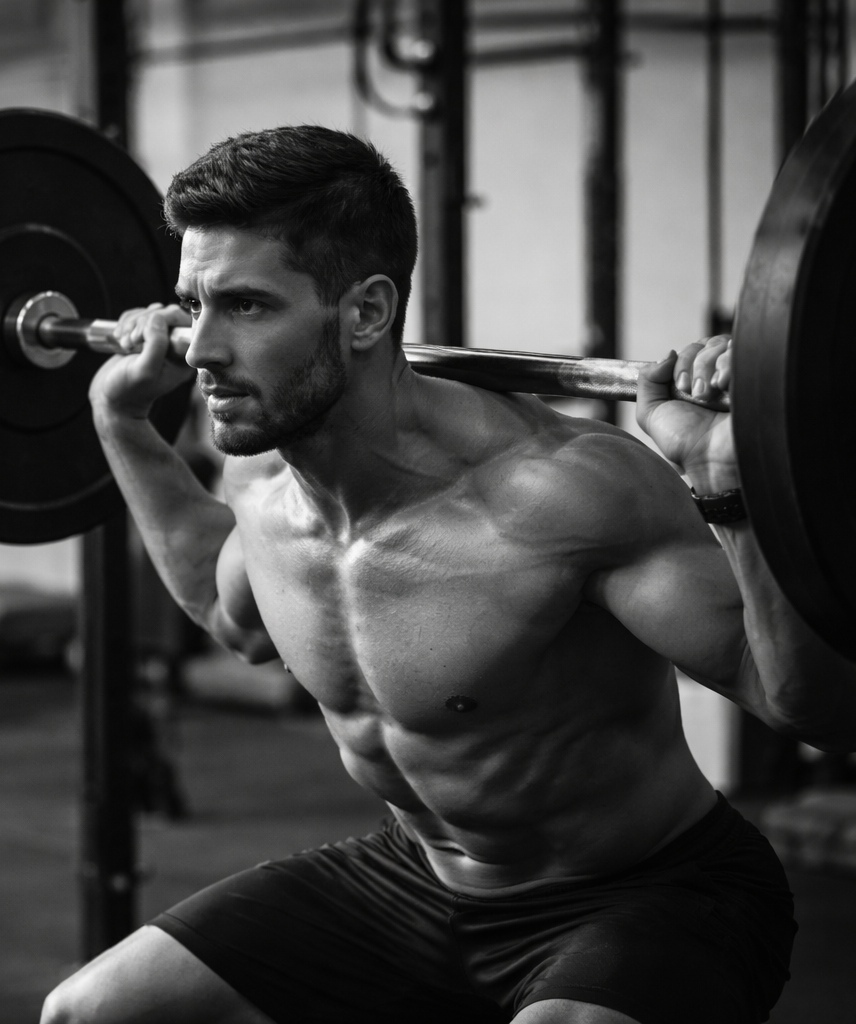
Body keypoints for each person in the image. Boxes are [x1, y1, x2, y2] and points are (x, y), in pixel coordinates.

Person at [42, 125, 856, 1024]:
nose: (199, 350)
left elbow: (809, 707)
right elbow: (229, 614)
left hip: (649, 892)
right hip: (414, 878)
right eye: (191, 304)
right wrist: (122, 424)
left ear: (366, 313)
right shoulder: (264, 484)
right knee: (87, 1013)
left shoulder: (565, 494)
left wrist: (726, 485)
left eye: (245, 306)